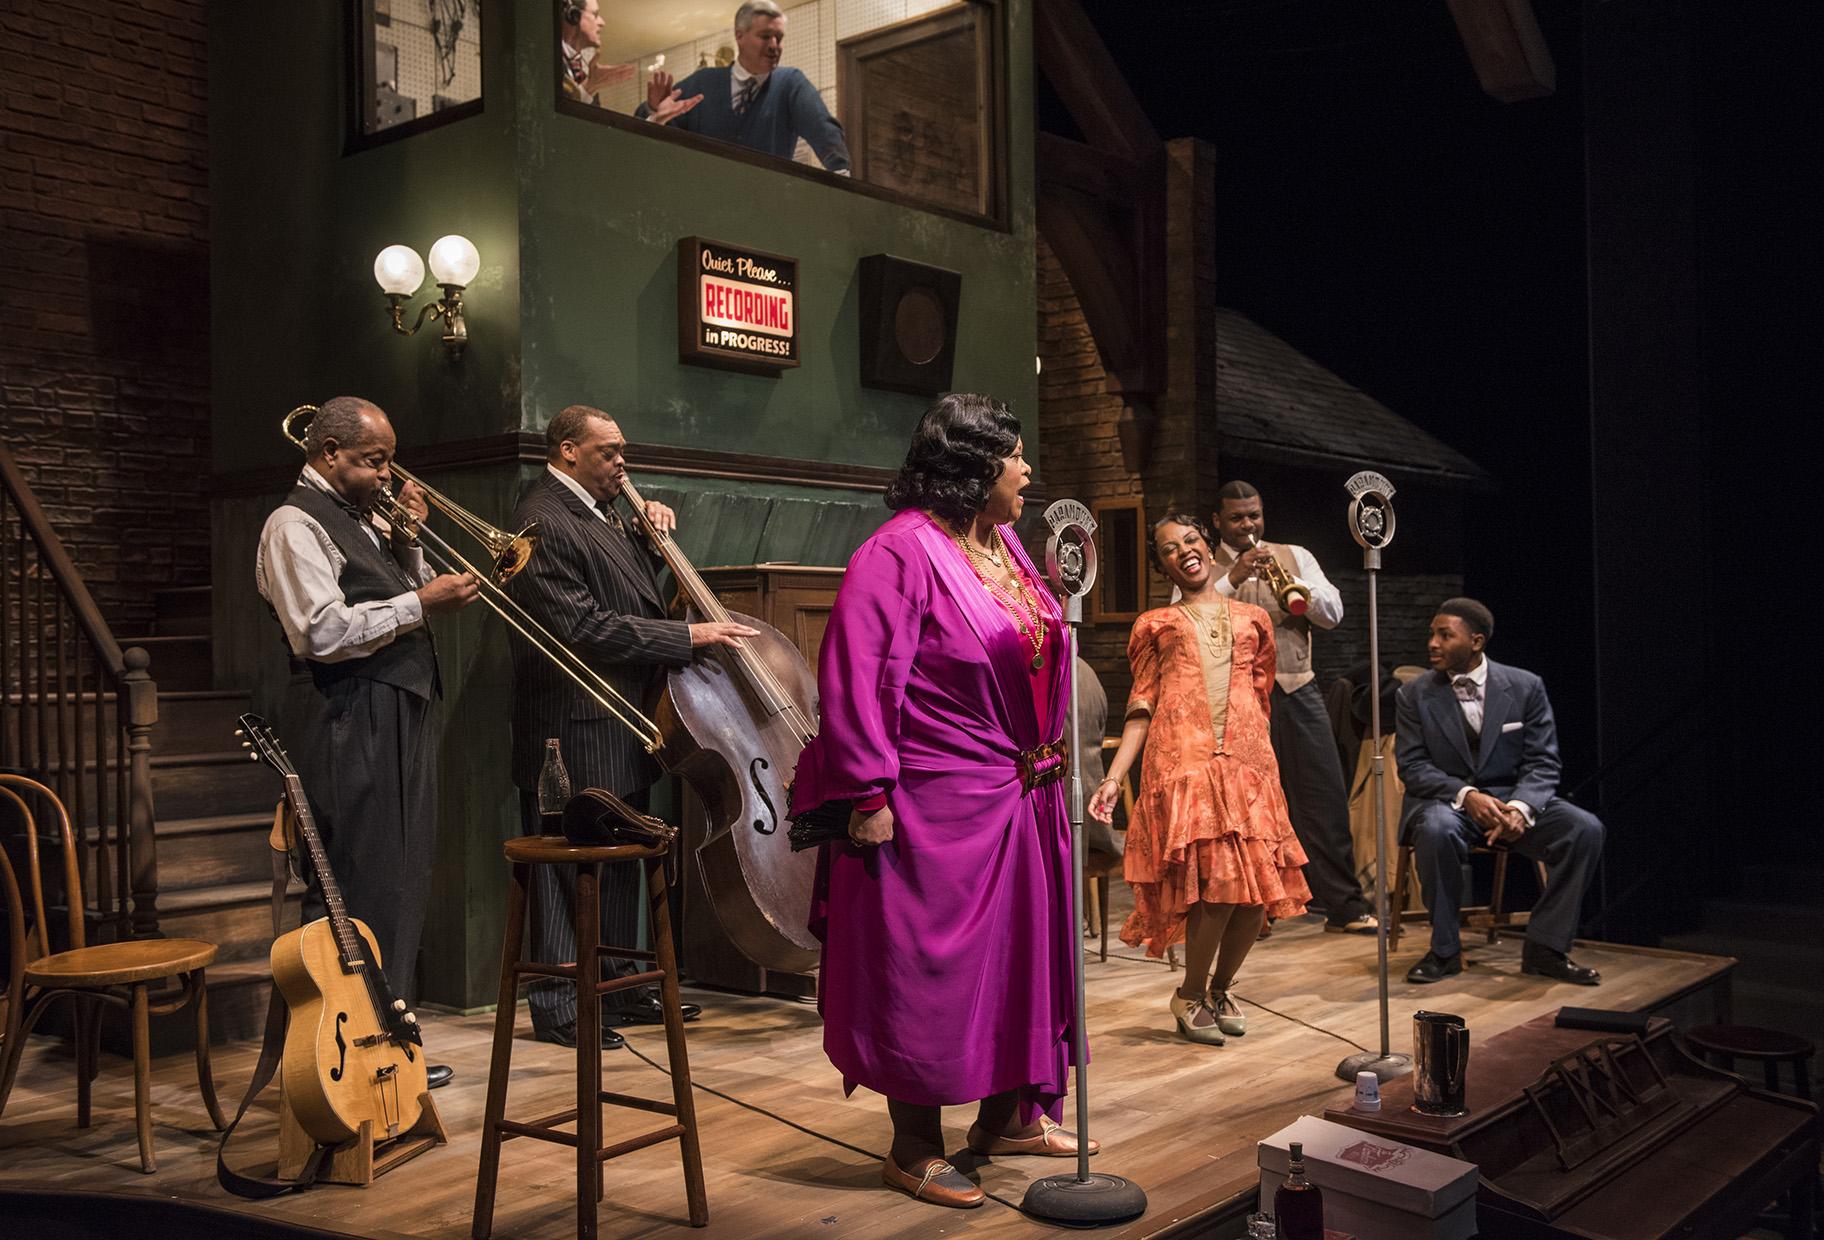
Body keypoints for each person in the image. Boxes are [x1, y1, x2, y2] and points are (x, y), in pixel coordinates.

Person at [788, 393, 1091, 1210]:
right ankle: (914, 1144)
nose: (1028, 470)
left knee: (1020, 959)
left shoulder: (1003, 543)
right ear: (974, 468)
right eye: (1016, 457)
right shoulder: (899, 553)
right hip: (932, 803)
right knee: (927, 971)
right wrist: (868, 791)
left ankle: (1009, 1117)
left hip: (1015, 792)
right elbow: (856, 677)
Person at [506, 406, 752, 1049]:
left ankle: (615, 983)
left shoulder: (603, 515)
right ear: (566, 452)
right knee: (567, 867)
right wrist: (690, 634)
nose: (623, 462)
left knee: (616, 863)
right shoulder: (543, 519)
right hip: (570, 725)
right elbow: (583, 628)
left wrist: (648, 543)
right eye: (609, 451)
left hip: (623, 720)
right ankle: (561, 1001)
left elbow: (631, 600)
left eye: (622, 451)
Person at [255, 396, 481, 1089]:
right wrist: (423, 601)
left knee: (398, 881)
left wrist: (409, 543)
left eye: (387, 460)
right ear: (328, 454)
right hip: (347, 716)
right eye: (372, 460)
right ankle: (326, 1061)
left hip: (397, 709)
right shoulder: (292, 523)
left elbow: (385, 600)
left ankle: (385, 1047)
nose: (387, 474)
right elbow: (321, 634)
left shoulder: (363, 519)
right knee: (352, 885)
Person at [1092, 514, 1312, 1046]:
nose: (1183, 552)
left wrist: (1256, 762)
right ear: (1162, 563)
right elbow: (1141, 704)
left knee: (1257, 894)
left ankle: (1220, 988)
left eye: (1190, 541)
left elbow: (1259, 697)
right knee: (1217, 886)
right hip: (1183, 766)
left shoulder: (1255, 618)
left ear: (1209, 547)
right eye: (1169, 549)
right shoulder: (1155, 624)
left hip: (1246, 767)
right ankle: (1189, 992)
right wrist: (1113, 777)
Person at [1395, 598, 1604, 985]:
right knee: (1436, 829)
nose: (1433, 644)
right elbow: (1413, 767)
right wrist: (1468, 796)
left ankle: (1545, 947)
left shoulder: (1525, 686)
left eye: (1445, 635)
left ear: (1476, 641)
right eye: (1432, 634)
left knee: (1584, 829)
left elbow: (1543, 761)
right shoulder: (1414, 694)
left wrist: (1520, 809)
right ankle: (1444, 950)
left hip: (1512, 799)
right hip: (1449, 803)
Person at [1209, 481, 1377, 935]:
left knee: (1322, 796)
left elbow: (1333, 613)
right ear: (1218, 522)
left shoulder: (1294, 554)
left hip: (1297, 687)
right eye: (1238, 518)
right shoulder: (1204, 564)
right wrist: (1236, 576)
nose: (1249, 525)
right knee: (1243, 808)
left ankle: (1344, 906)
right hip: (1235, 697)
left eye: (1255, 516)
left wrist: (1294, 585)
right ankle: (1251, 912)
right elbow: (1189, 614)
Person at [634, 1, 852, 173]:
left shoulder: (790, 84)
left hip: (768, 209)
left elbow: (824, 130)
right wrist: (653, 110)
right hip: (705, 208)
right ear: (739, 36)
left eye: (779, 37)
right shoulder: (703, 82)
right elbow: (655, 139)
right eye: (765, 36)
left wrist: (842, 176)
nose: (774, 46)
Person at [561, 0, 701, 124]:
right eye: (595, 14)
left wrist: (655, 116)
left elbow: (592, 135)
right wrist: (588, 88)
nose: (602, 22)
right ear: (573, 15)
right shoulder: (546, 60)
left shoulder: (587, 75)